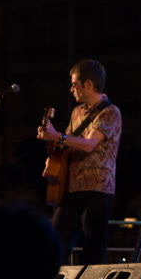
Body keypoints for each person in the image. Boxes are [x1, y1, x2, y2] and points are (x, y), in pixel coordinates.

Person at [37, 59, 122, 265]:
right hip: (72, 187)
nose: (71, 89)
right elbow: (66, 144)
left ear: (89, 84)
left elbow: (89, 144)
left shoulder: (110, 112)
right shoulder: (77, 112)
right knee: (56, 244)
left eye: (75, 84)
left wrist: (57, 136)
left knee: (92, 250)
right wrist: (52, 148)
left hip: (97, 188)